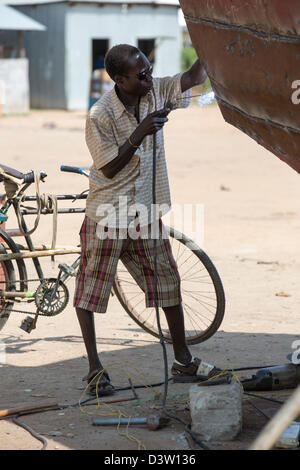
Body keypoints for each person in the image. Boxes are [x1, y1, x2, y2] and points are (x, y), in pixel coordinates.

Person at [74, 44, 223, 396]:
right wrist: (139, 133)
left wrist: (208, 37)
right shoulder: (100, 115)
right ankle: (95, 368)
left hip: (145, 210)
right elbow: (108, 167)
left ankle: (183, 360)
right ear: (119, 79)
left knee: (168, 281)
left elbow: (192, 77)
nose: (149, 78)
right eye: (141, 75)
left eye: (150, 69)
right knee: (91, 291)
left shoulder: (155, 91)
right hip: (109, 213)